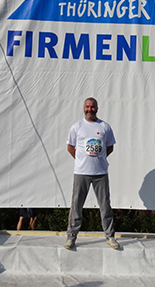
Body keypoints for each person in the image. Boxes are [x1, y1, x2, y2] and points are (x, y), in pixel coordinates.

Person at [64, 97, 119, 250]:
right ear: (84, 108)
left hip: (100, 173)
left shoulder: (104, 127)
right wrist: (82, 160)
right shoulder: (77, 126)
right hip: (81, 173)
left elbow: (110, 147)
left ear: (97, 108)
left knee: (105, 206)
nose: (90, 109)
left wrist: (98, 159)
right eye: (87, 107)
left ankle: (110, 237)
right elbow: (70, 147)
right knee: (76, 206)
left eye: (92, 107)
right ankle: (71, 237)